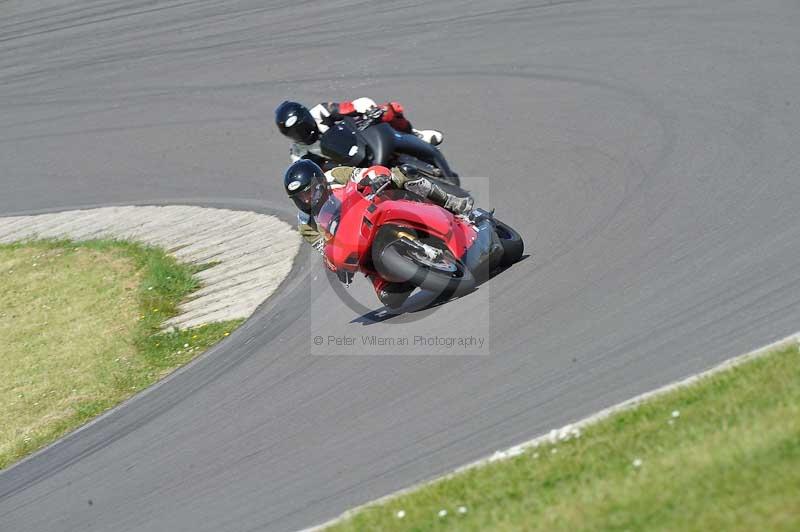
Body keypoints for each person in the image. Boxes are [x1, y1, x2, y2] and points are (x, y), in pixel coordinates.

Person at [283, 159, 472, 308]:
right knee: (390, 298)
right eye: (300, 197)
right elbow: (325, 250)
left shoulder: (334, 176)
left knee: (403, 174)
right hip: (356, 243)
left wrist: (376, 177)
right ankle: (409, 271)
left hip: (372, 208)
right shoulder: (305, 224)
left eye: (309, 192)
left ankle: (450, 202)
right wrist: (336, 265)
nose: (306, 200)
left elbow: (363, 173)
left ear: (319, 183)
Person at [275, 98, 444, 167]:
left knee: (389, 110)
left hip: (358, 137)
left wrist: (368, 109)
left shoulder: (321, 111)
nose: (301, 134)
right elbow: (309, 173)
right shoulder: (297, 153)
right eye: (294, 133)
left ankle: (415, 135)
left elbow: (349, 107)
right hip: (346, 165)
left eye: (302, 127)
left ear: (307, 117)